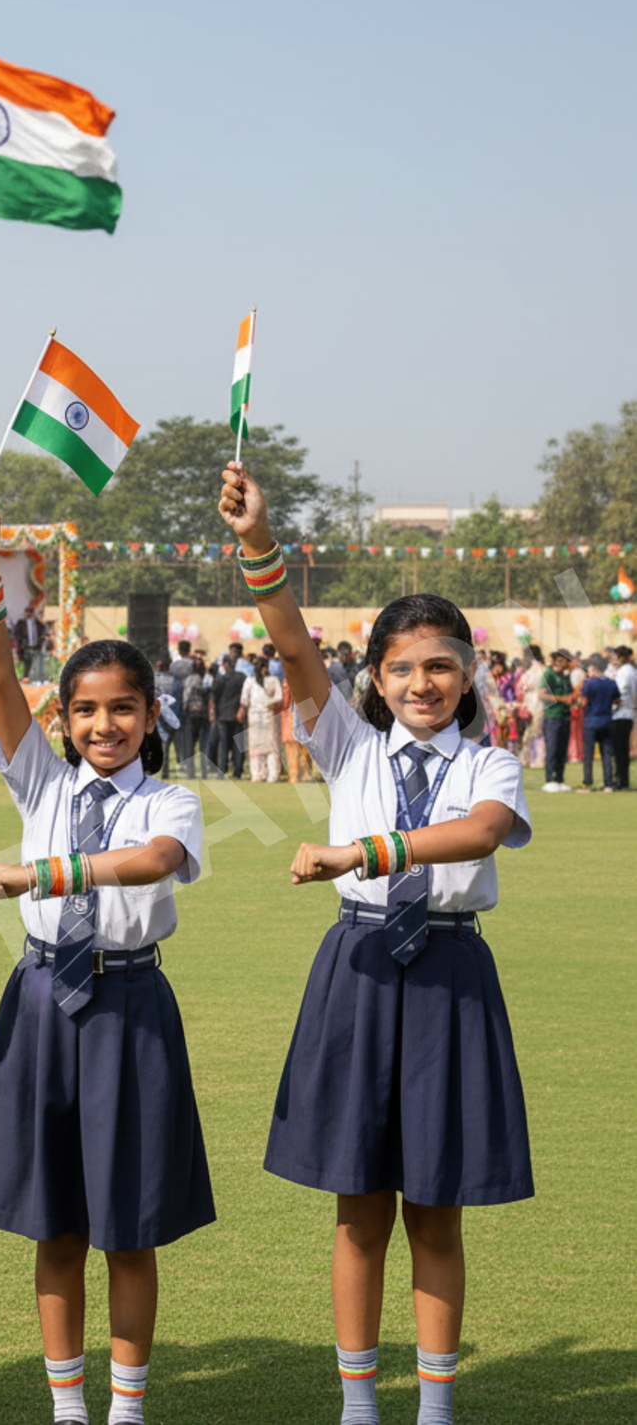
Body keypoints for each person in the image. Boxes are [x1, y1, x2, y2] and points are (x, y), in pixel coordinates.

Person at [219, 463, 533, 1425]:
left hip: (448, 974)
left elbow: (477, 834)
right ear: (375, 679)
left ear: (468, 672)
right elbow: (288, 636)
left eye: (439, 664)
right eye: (399, 667)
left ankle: (433, 1408)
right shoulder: (347, 743)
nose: (420, 682)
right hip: (355, 970)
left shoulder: (493, 762)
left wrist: (359, 848)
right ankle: (359, 1403)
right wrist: (257, 541)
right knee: (357, 1207)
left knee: (435, 1209)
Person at [0, 485, 213, 1425]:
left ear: (150, 715)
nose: (103, 726)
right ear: (61, 718)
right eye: (86, 711)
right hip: (38, 1008)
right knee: (53, 1219)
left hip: (129, 1008)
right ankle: (69, 1407)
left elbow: (152, 862)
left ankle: (127, 1406)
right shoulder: (40, 778)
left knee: (129, 1225)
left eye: (123, 710)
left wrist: (42, 874)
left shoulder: (169, 802)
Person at [579, 656, 620, 793]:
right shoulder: (611, 683)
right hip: (607, 720)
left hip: (591, 720)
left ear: (594, 669)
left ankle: (587, 782)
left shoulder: (589, 683)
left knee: (589, 754)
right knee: (607, 754)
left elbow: (584, 702)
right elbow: (617, 701)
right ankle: (608, 783)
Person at [539, 650, 576, 792]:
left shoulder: (565, 676)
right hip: (552, 716)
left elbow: (569, 693)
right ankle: (550, 779)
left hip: (564, 716)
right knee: (552, 749)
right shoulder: (549, 674)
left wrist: (574, 699)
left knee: (562, 750)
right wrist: (563, 699)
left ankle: (560, 779)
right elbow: (542, 695)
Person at [242, 655, 283, 782]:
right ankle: (269, 775)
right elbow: (279, 697)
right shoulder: (271, 680)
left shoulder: (251, 680)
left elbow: (244, 699)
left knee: (258, 747)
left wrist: (263, 703)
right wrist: (268, 702)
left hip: (259, 715)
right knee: (269, 747)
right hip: (264, 715)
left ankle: (259, 774)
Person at [210, 655, 247, 780]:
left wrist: (213, 713)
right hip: (237, 716)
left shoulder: (220, 679)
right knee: (238, 745)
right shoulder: (241, 678)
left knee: (224, 745)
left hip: (223, 716)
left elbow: (214, 697)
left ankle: (222, 770)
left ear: (225, 665)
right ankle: (238, 771)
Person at [613, 646, 635, 792]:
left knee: (619, 749)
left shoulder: (624, 672)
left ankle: (620, 779)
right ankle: (623, 779)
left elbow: (619, 693)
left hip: (621, 713)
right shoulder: (632, 671)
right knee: (623, 749)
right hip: (629, 713)